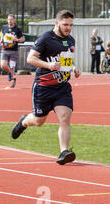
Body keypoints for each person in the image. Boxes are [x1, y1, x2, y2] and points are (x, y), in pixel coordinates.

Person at [10, 10, 81, 165]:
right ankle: (24, 121)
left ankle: (64, 152)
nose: (68, 28)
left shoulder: (71, 41)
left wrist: (74, 68)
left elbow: (66, 61)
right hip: (44, 87)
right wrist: (48, 65)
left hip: (62, 87)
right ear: (57, 23)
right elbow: (30, 58)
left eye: (70, 25)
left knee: (64, 118)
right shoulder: (46, 38)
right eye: (65, 25)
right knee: (38, 121)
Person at [0, 14, 25, 88]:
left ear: (14, 20)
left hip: (14, 51)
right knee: (3, 66)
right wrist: (0, 40)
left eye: (11, 19)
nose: (10, 21)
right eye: (8, 19)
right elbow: (2, 36)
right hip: (5, 49)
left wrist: (17, 40)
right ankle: (11, 73)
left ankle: (13, 81)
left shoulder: (17, 29)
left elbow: (23, 39)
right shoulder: (4, 27)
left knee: (12, 67)